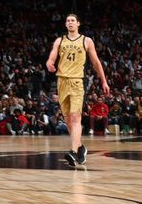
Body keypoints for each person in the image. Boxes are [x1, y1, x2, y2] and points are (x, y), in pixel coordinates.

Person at [45, 13, 110, 167]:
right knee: (68, 120)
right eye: (68, 20)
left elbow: (96, 62)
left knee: (75, 117)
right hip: (61, 81)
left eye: (73, 20)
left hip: (77, 81)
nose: (70, 22)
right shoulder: (59, 41)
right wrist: (49, 62)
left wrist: (104, 81)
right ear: (65, 24)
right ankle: (80, 148)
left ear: (78, 23)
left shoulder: (86, 41)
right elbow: (53, 55)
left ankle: (73, 152)